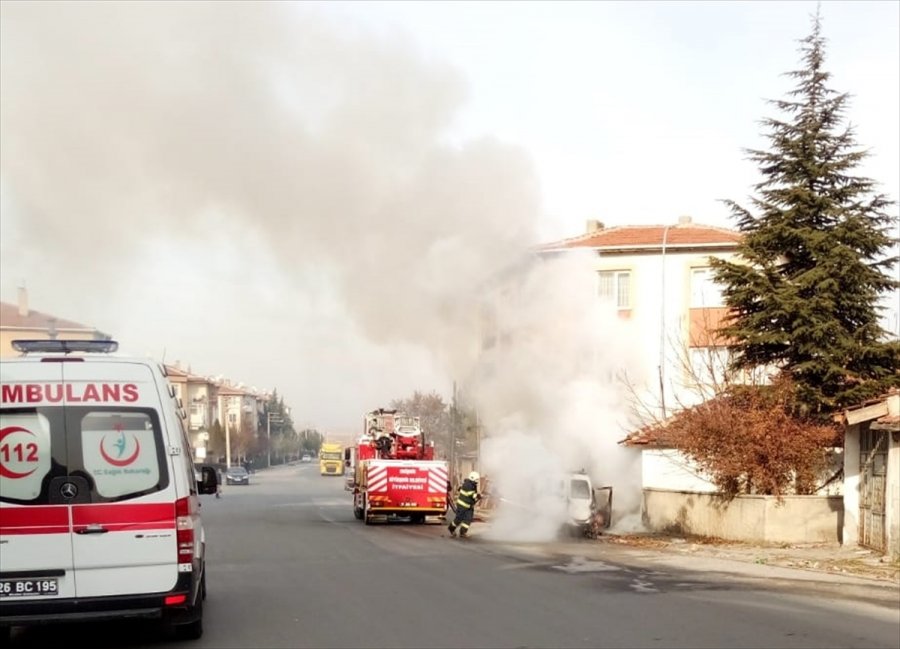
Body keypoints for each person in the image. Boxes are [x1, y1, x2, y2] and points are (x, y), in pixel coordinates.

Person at [448, 471, 482, 538]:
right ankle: (451, 528)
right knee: (459, 519)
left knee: (468, 519)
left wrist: (477, 496)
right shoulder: (468, 485)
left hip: (469, 506)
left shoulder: (472, 484)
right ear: (472, 478)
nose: (477, 481)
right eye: (476, 479)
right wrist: (478, 496)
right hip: (462, 506)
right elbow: (471, 494)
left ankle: (463, 532)